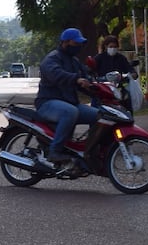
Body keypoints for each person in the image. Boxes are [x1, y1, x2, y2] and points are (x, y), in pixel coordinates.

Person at [35, 28, 100, 162]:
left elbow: (84, 78)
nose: (78, 47)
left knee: (100, 116)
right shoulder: (51, 59)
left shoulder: (74, 61)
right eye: (75, 44)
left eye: (80, 44)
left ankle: (91, 150)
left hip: (70, 102)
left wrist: (99, 85)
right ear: (65, 43)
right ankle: (55, 151)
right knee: (70, 112)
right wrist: (76, 79)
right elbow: (57, 75)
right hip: (48, 103)